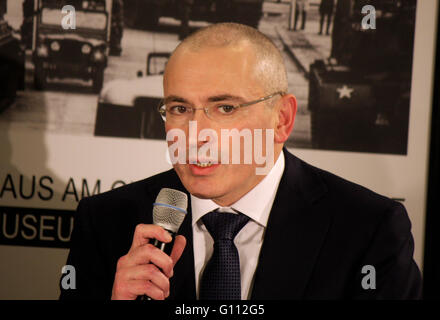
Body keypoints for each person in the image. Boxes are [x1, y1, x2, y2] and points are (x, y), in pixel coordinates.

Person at [59, 23, 422, 300]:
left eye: (225, 108)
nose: (195, 133)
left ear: (281, 119)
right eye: (180, 109)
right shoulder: (105, 224)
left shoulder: (370, 230)